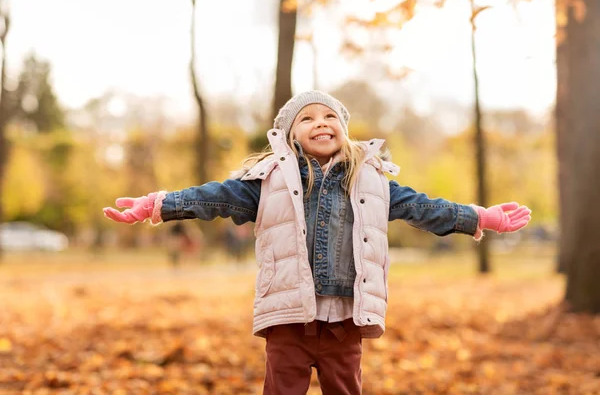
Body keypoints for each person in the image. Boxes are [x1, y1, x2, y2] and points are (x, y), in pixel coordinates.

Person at [103, 91, 531, 394]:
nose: (319, 123)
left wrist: (480, 217)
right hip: (288, 317)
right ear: (290, 136)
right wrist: (158, 204)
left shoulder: (373, 182)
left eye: (329, 117)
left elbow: (423, 207)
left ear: (343, 130)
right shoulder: (268, 181)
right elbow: (212, 196)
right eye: (306, 119)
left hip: (346, 319)